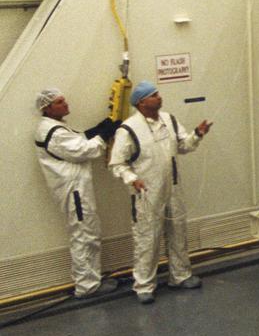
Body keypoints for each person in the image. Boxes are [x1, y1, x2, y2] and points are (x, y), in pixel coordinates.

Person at [108, 81, 213, 305]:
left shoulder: (169, 120)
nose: (159, 97)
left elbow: (183, 146)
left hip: (172, 188)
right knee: (148, 237)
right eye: (154, 95)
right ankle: (144, 285)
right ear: (141, 102)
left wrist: (197, 134)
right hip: (147, 192)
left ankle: (181, 275)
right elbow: (117, 163)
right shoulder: (128, 129)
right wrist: (132, 179)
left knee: (178, 231)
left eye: (158, 94)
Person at [33, 89, 119, 298]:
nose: (65, 104)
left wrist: (101, 126)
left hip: (76, 189)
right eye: (59, 102)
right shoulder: (52, 132)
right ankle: (87, 286)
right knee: (84, 235)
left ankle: (92, 278)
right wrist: (105, 134)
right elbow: (84, 150)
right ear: (47, 108)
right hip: (74, 192)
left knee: (88, 232)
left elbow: (80, 139)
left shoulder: (55, 127)